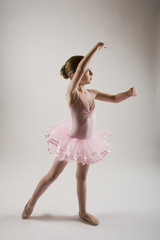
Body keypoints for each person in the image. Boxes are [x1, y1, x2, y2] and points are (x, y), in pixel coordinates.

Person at [21, 42, 138, 226]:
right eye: (88, 71)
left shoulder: (92, 92)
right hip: (71, 142)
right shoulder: (72, 93)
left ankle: (82, 212)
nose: (91, 74)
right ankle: (31, 203)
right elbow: (82, 64)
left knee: (82, 178)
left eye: (91, 71)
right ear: (76, 75)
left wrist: (128, 94)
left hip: (87, 142)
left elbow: (114, 99)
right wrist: (96, 49)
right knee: (52, 175)